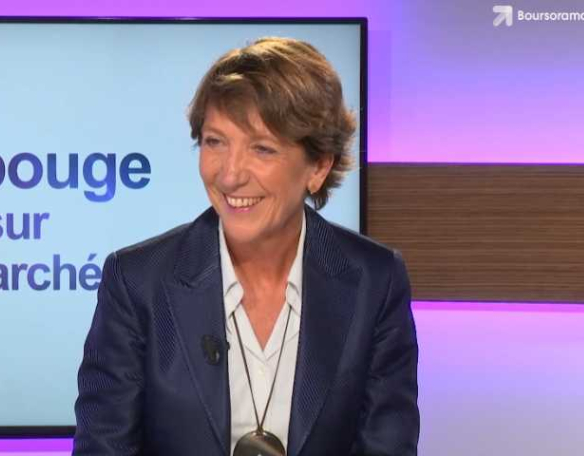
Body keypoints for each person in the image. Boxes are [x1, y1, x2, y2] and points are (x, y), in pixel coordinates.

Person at [74, 37, 419, 456]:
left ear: (318, 166)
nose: (230, 175)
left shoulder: (375, 282)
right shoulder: (138, 283)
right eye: (215, 142)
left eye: (262, 148)